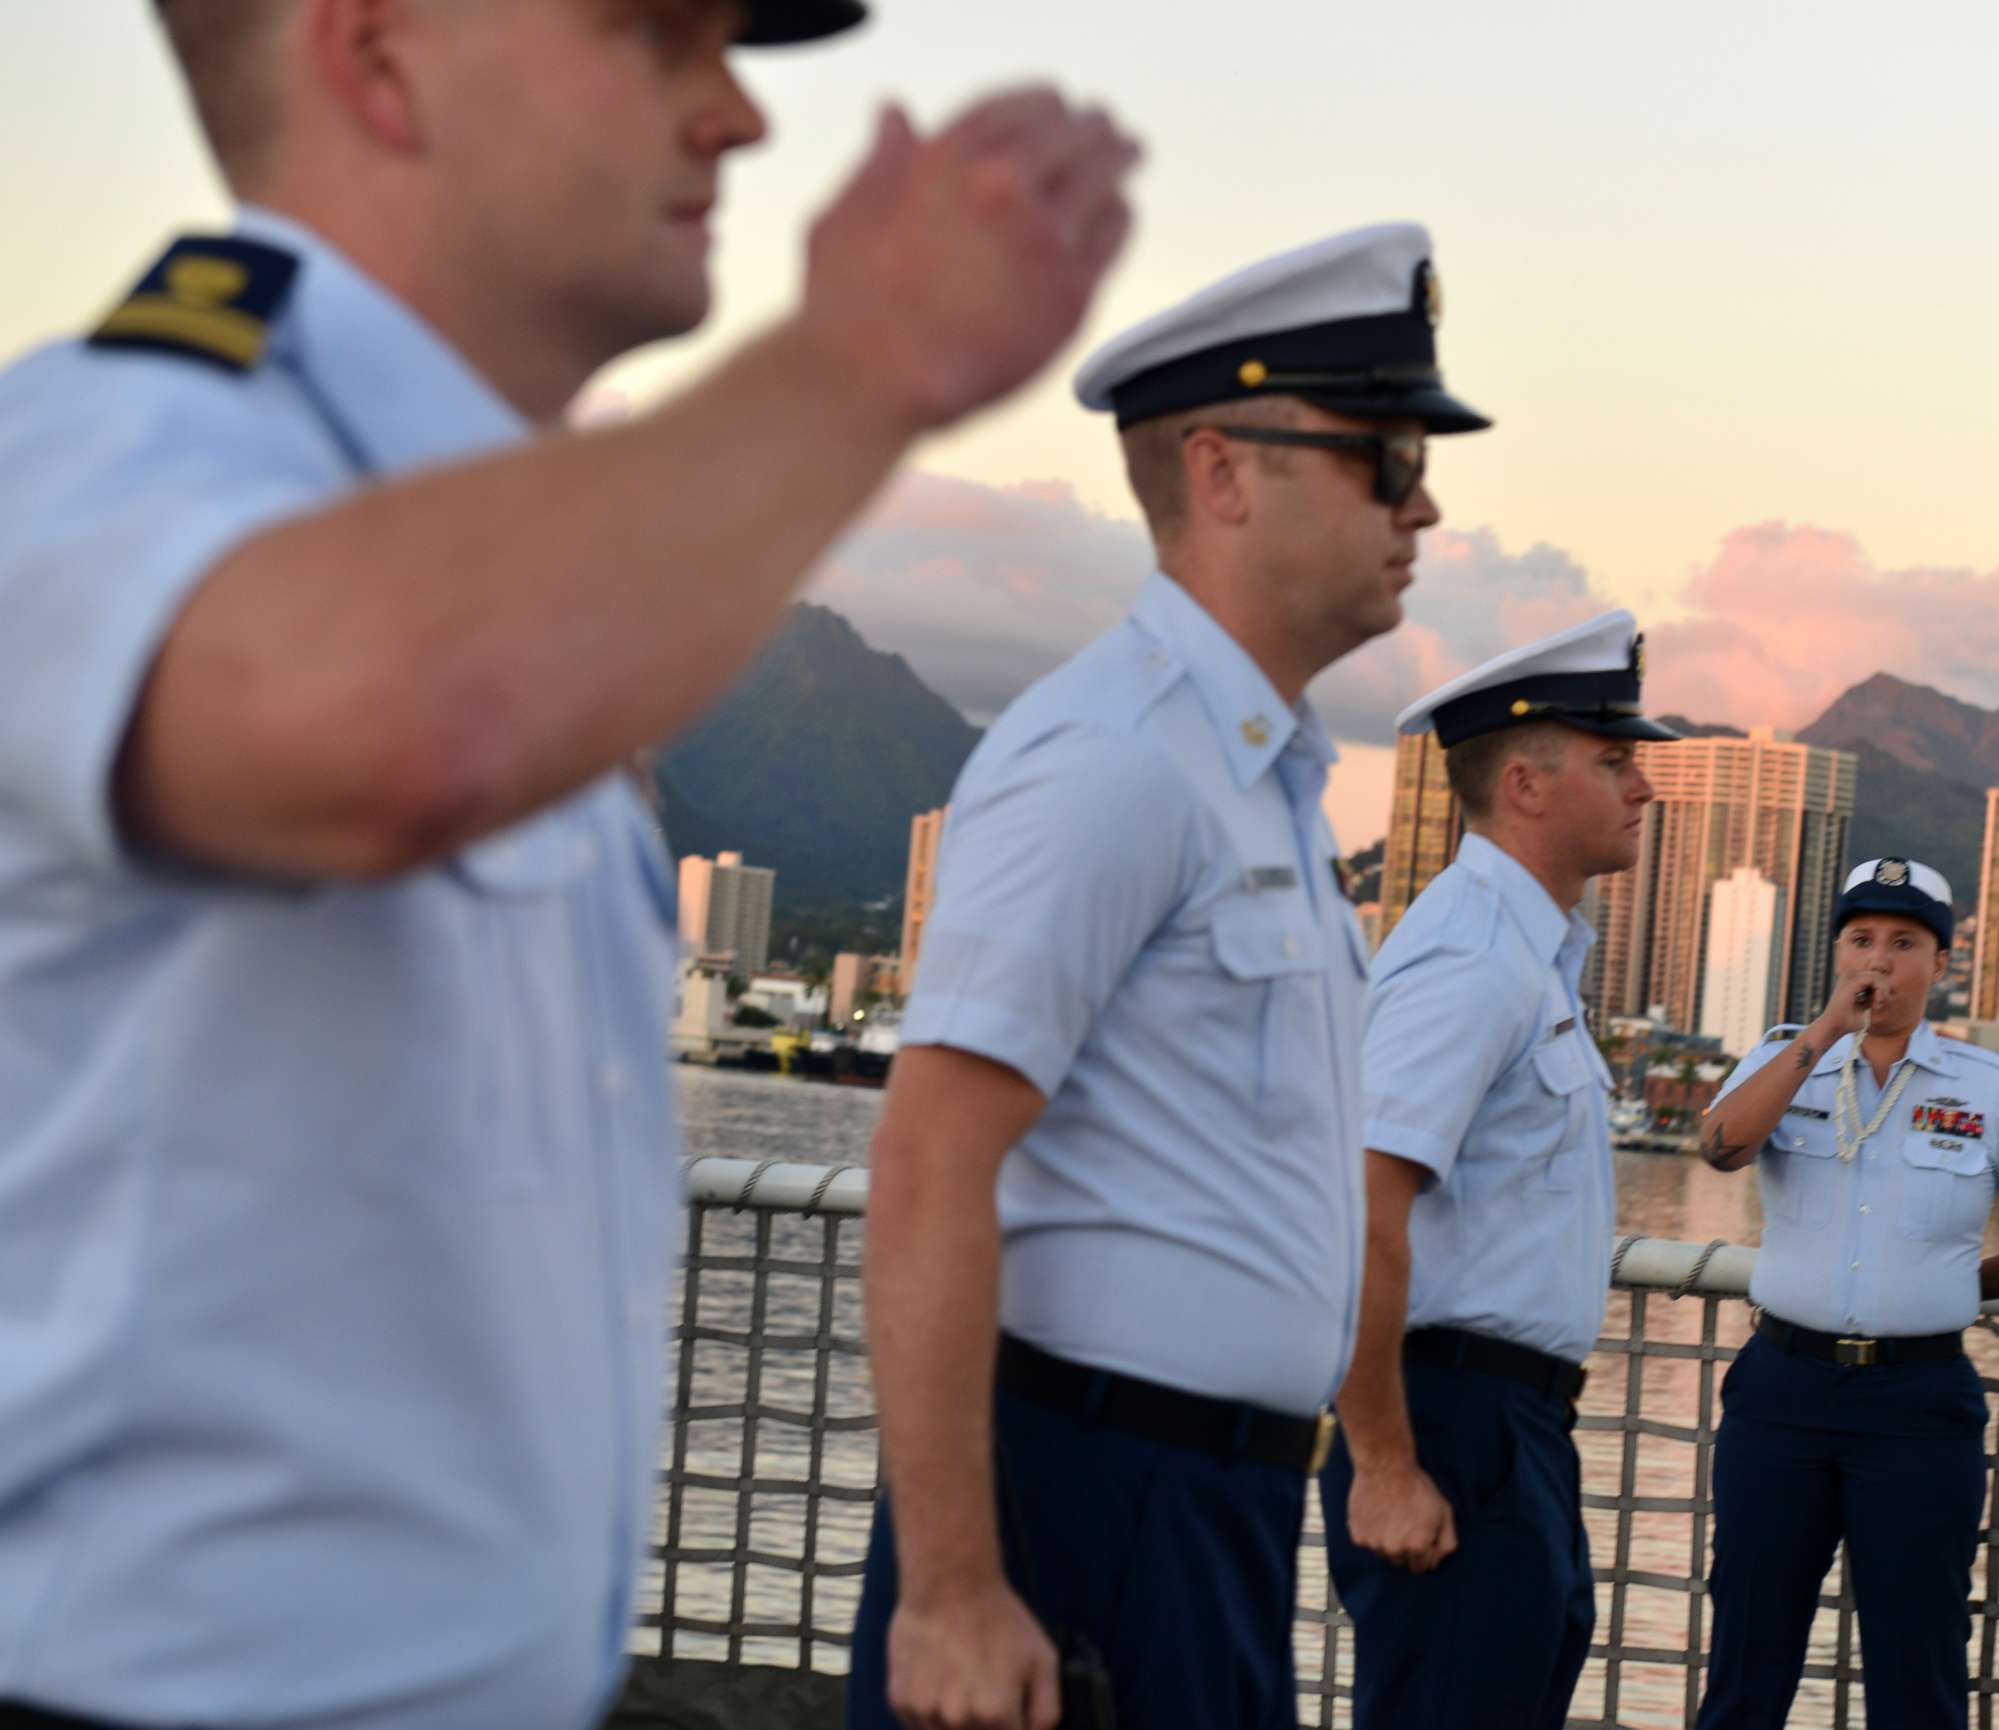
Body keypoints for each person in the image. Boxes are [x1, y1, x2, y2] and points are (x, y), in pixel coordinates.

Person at [0, 4, 1138, 1726]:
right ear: (375, 53)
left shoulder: (535, 577)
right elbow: (380, 723)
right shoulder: (106, 449)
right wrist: (867, 349)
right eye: (656, 36)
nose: (739, 116)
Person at [850, 223, 1488, 1730]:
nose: (1427, 498)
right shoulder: (1116, 756)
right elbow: (930, 1152)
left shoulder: (1256, 779)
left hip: (1215, 1512)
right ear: (1223, 471)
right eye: (1386, 456)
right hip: (1080, 1504)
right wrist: (950, 1587)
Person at [1319, 612, 1672, 1726]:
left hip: (1513, 1429)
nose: (1642, 787)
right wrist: (1381, 1459)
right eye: (1615, 762)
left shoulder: (1530, 953)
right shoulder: (1471, 955)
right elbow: (1361, 1205)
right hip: (1451, 1421)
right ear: (1524, 782)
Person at [1690, 858, 1999, 1729]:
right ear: (1837, 953)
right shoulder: (1784, 1058)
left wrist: (1960, 1286)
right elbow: (1722, 1147)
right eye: (1861, 939)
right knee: (1746, 1652)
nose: (1878, 959)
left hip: (1917, 1407)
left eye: (1904, 942)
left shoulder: (1987, 1089)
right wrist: (1822, 1035)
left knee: (1916, 1664)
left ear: (1941, 964)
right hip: (1782, 1393)